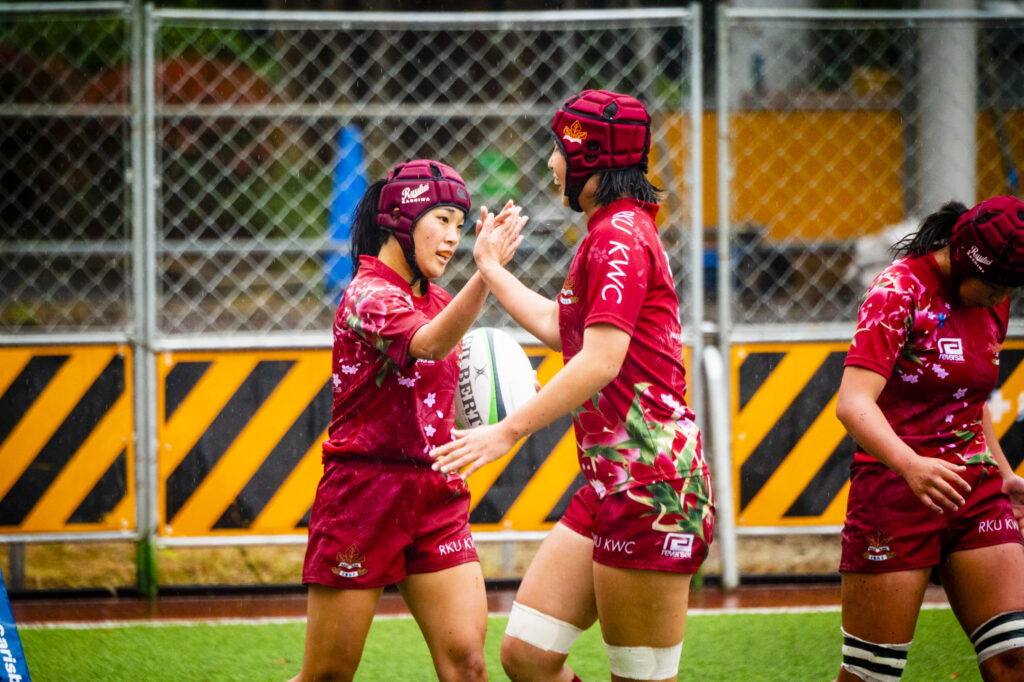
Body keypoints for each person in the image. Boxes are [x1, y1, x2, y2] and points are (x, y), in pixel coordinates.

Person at [431, 89, 713, 682]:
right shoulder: (608, 232)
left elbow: (600, 360)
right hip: (612, 483)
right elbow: (566, 335)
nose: (551, 163)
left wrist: (506, 432)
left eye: (557, 150)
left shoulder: (618, 236)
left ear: (589, 158)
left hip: (653, 490)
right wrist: (491, 270)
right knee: (528, 656)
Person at [292, 158, 524, 682]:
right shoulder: (366, 296)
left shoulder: (438, 300)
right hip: (362, 498)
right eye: (442, 220)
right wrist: (488, 273)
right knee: (326, 675)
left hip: (436, 494)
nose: (453, 238)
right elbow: (428, 343)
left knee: (467, 664)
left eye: (461, 228)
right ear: (401, 219)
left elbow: (458, 368)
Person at [834, 196, 1024, 682]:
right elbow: (853, 403)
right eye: (1001, 284)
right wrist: (912, 465)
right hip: (895, 494)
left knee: (1015, 657)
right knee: (871, 675)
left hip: (974, 491)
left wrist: (1003, 474)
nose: (1005, 297)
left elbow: (967, 396)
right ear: (967, 261)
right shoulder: (898, 291)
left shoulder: (992, 300)